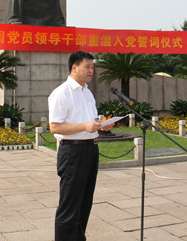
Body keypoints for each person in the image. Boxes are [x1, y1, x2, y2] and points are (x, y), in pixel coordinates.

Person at [48, 51, 113, 241]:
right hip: (72, 152)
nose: (91, 70)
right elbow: (55, 127)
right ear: (74, 68)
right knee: (70, 205)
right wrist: (85, 126)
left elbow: (88, 121)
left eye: (93, 67)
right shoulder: (61, 93)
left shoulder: (88, 93)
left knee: (85, 203)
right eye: (87, 67)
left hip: (91, 149)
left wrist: (102, 125)